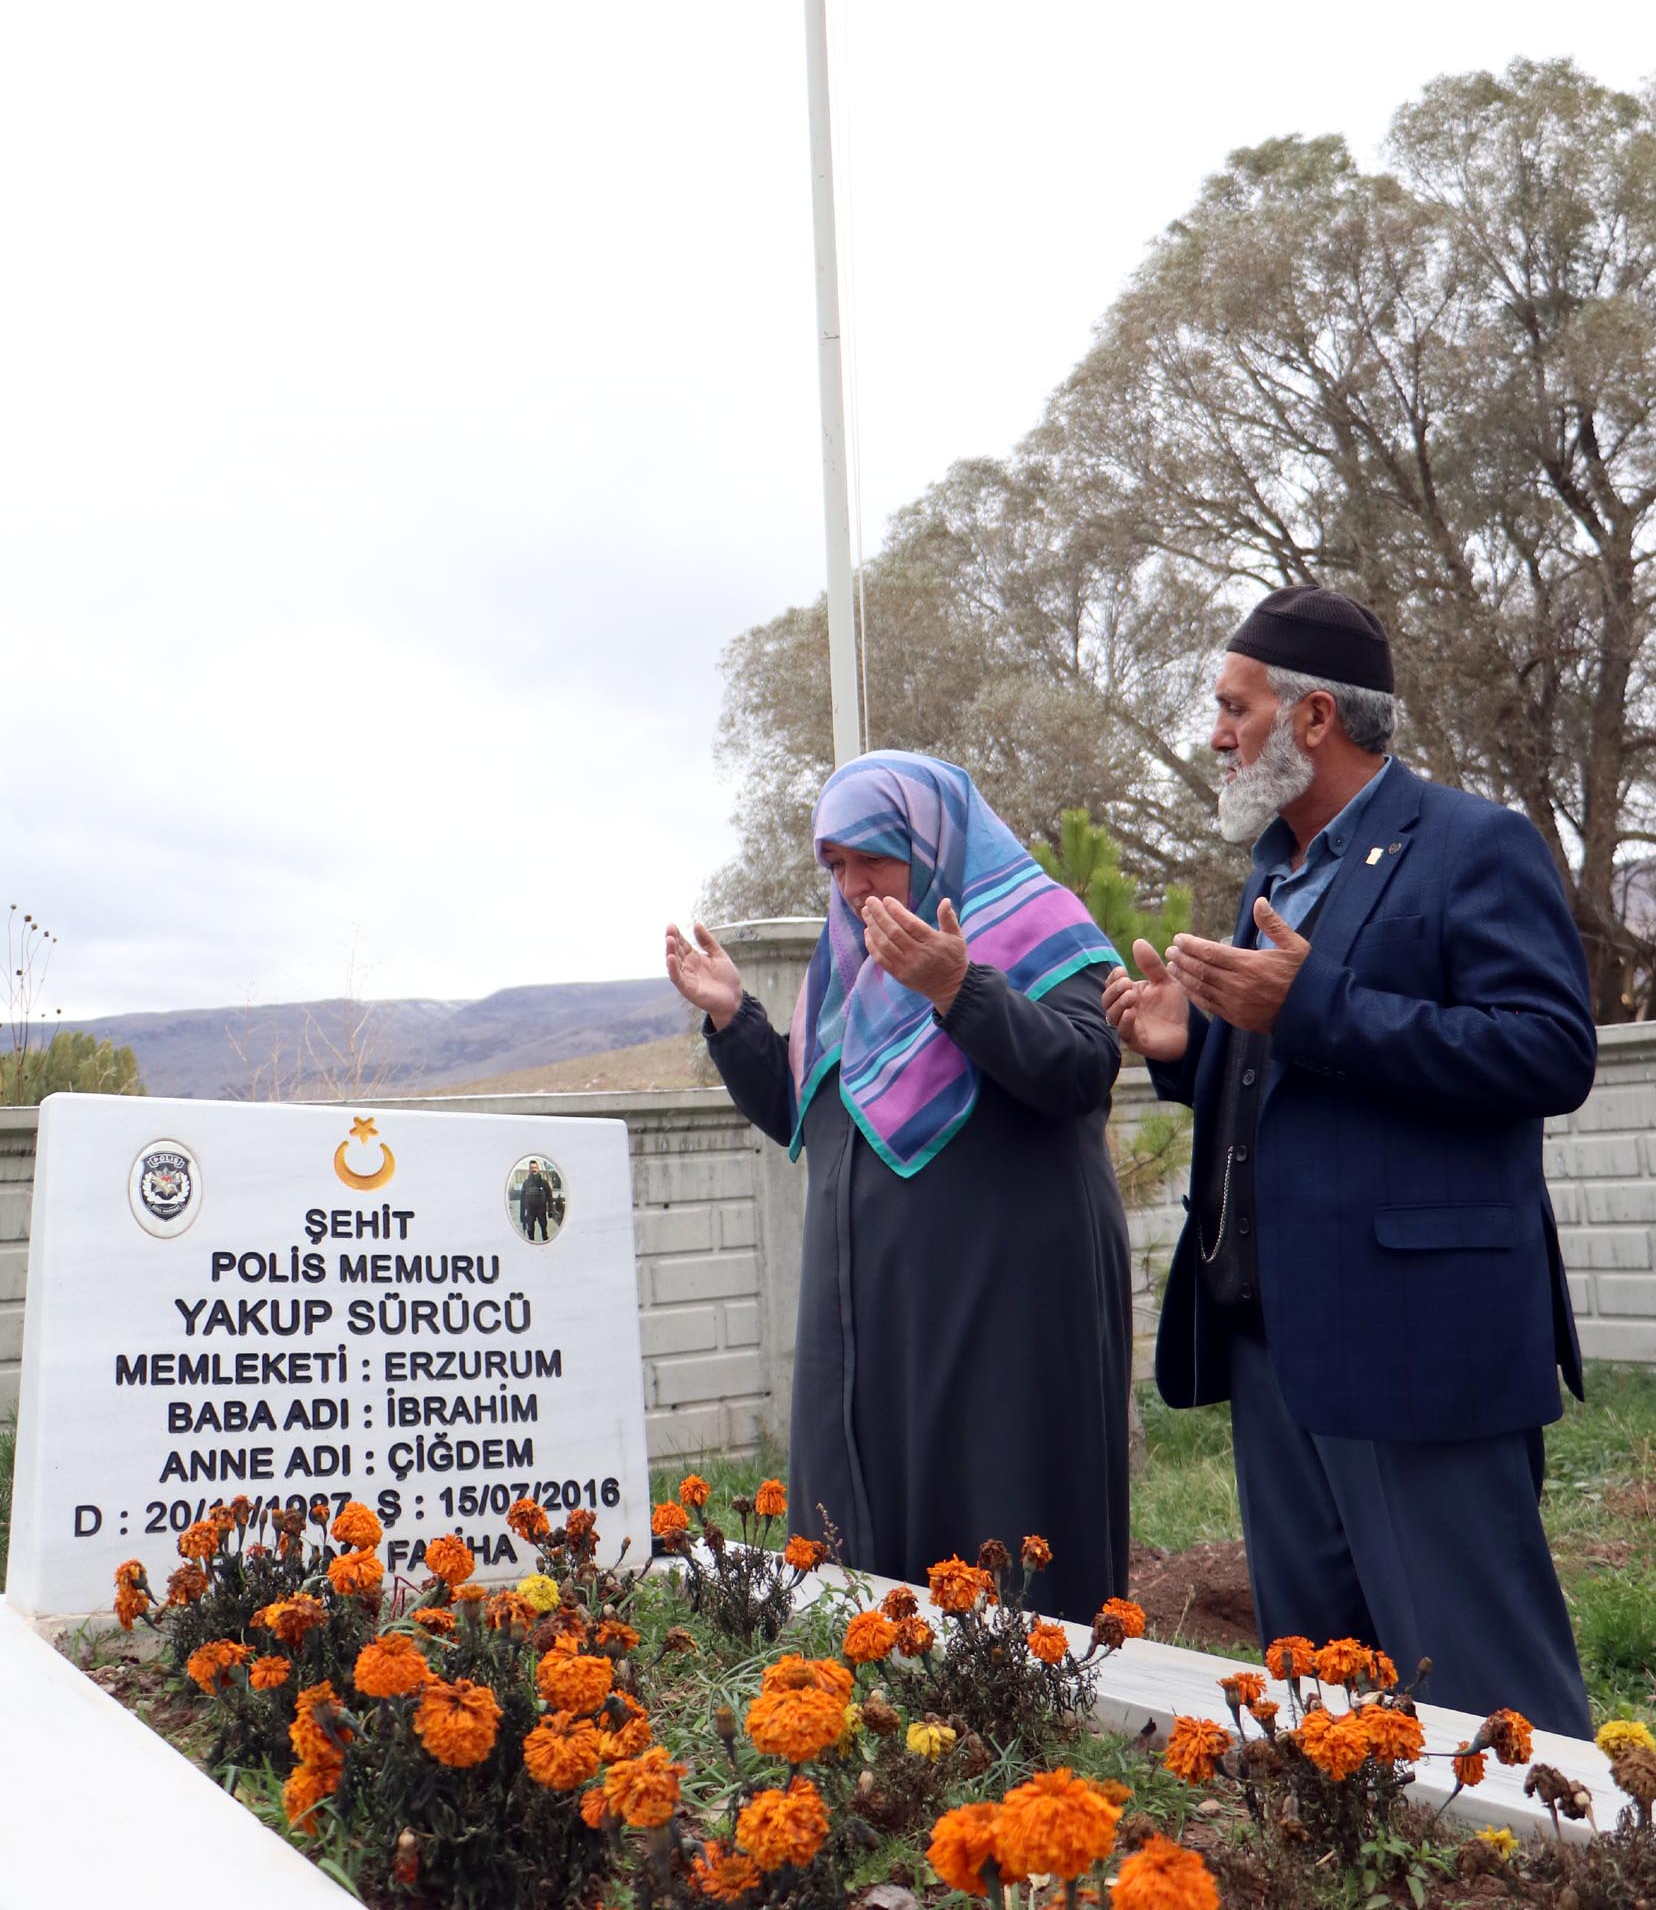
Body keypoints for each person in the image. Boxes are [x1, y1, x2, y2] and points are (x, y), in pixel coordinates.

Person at [1103, 585, 1596, 1735]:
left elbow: (1548, 1051)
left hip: (1418, 1343)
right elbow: (1293, 1066)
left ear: (1314, 716)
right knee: (1321, 1698)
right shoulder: (1274, 872)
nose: (1216, 733)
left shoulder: (1475, 845)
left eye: (1235, 707)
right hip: (1276, 1344)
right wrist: (1194, 1047)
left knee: (1487, 1700)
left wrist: (1314, 1004)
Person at [666, 749, 1133, 1622]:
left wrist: (958, 987)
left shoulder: (1038, 927)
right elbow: (810, 1114)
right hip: (867, 1316)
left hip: (1003, 1302)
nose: (851, 886)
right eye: (835, 865)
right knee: (867, 1561)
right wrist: (734, 1019)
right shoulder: (846, 964)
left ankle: (1019, 1715)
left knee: (999, 1523)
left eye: (871, 858)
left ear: (929, 841)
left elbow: (1082, 1069)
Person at [519, 1159, 553, 1242]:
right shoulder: (526, 1183)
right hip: (530, 1213)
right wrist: (522, 1215)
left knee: (544, 1233)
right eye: (531, 1168)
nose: (533, 1169)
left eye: (535, 1167)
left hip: (541, 1212)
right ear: (529, 1169)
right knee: (530, 1235)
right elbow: (522, 1200)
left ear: (538, 1169)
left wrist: (550, 1210)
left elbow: (549, 1197)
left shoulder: (544, 1183)